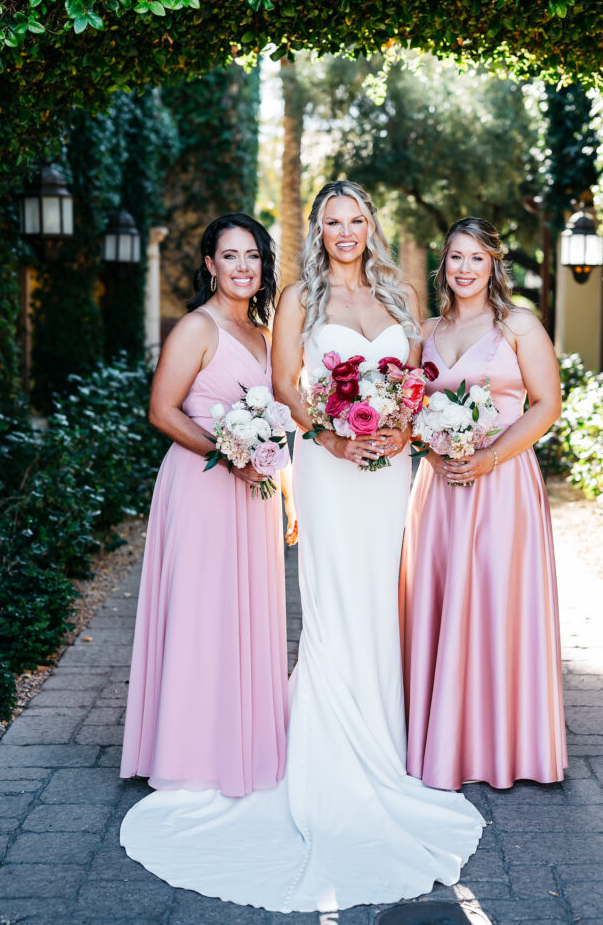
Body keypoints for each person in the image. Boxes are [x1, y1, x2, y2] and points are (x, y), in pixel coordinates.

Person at [121, 182, 483, 912]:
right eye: (331, 221)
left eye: (355, 220)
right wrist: (330, 436)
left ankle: (380, 749)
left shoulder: (401, 293)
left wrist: (401, 429)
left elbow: (413, 382)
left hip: (385, 469)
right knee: (332, 600)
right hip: (326, 464)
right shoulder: (296, 301)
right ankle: (322, 756)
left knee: (379, 598)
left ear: (370, 226)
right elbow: (286, 388)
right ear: (316, 229)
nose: (344, 232)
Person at [119, 213, 291, 799]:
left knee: (244, 612)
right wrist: (228, 452)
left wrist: (277, 480)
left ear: (263, 267)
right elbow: (162, 411)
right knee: (200, 611)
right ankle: (188, 752)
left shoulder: (266, 337)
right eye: (231, 256)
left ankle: (239, 741)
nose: (243, 267)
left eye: (253, 256)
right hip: (200, 485)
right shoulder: (197, 327)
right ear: (210, 264)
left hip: (255, 493)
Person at [399, 216, 567, 791]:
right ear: (442, 265)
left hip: (502, 484)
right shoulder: (424, 330)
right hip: (440, 486)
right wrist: (430, 446)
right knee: (439, 602)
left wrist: (490, 456)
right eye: (455, 257)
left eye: (476, 257)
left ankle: (503, 745)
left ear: (494, 263)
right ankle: (439, 740)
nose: (465, 268)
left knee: (498, 603)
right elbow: (408, 410)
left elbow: (546, 405)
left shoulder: (518, 324)